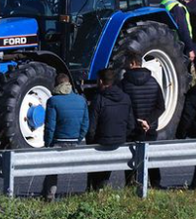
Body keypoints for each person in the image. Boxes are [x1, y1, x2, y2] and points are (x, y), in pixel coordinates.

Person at [41, 73, 89, 202]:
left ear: (56, 84)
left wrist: (48, 143)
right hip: (75, 141)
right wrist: (78, 139)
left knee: (52, 171)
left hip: (58, 141)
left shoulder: (53, 101)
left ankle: (49, 196)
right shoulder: (81, 100)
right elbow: (85, 124)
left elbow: (50, 126)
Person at [120, 53, 165, 189]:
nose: (125, 65)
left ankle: (130, 184)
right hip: (149, 128)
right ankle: (155, 184)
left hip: (132, 129)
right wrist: (148, 121)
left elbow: (123, 108)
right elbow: (161, 107)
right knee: (151, 157)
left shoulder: (124, 84)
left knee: (131, 158)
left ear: (133, 63)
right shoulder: (153, 82)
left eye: (127, 62)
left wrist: (137, 121)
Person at [86, 68, 135, 191]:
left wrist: (91, 142)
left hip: (101, 141)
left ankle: (97, 191)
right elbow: (131, 124)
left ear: (101, 81)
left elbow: (92, 127)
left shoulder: (98, 99)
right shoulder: (125, 98)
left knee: (97, 175)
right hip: (120, 141)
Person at [161, 0, 196, 64]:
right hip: (179, 45)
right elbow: (183, 29)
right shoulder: (178, 7)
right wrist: (190, 48)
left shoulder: (165, 2)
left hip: (168, 42)